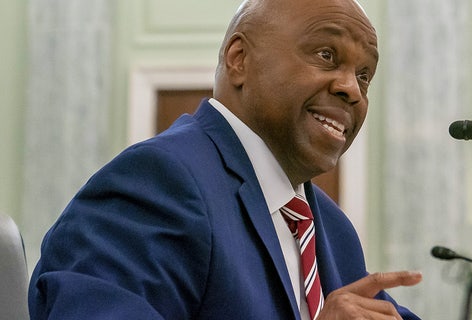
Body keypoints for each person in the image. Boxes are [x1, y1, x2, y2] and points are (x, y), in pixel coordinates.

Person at [28, 0, 423, 319]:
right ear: (239, 59)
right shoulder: (158, 182)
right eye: (326, 54)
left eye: (365, 75)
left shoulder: (331, 228)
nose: (351, 88)